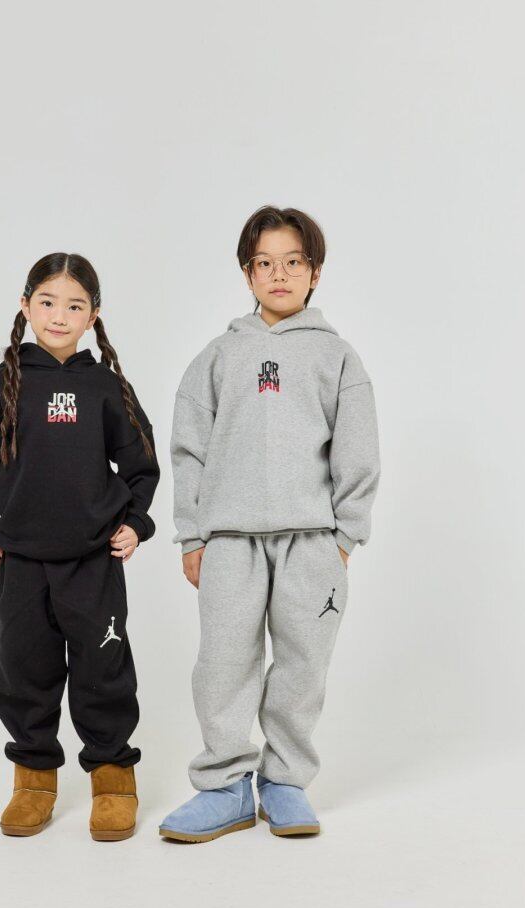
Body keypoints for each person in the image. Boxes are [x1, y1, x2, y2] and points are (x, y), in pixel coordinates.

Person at [159, 206, 380, 842]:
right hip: (230, 542)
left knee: (303, 665)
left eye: (293, 262)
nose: (279, 275)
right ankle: (225, 786)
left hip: (312, 542)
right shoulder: (217, 357)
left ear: (315, 272)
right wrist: (192, 533)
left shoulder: (337, 358)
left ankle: (284, 781)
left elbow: (358, 452)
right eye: (265, 263)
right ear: (247, 273)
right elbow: (189, 450)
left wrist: (345, 536)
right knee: (223, 664)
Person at [0, 252, 160, 841]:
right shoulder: (3, 386)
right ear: (26, 306)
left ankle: (114, 779)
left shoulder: (105, 387)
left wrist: (135, 523)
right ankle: (33, 779)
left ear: (94, 315)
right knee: (24, 672)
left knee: (104, 670)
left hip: (94, 561)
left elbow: (141, 464)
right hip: (22, 563)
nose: (59, 315)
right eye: (47, 302)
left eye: (75, 305)